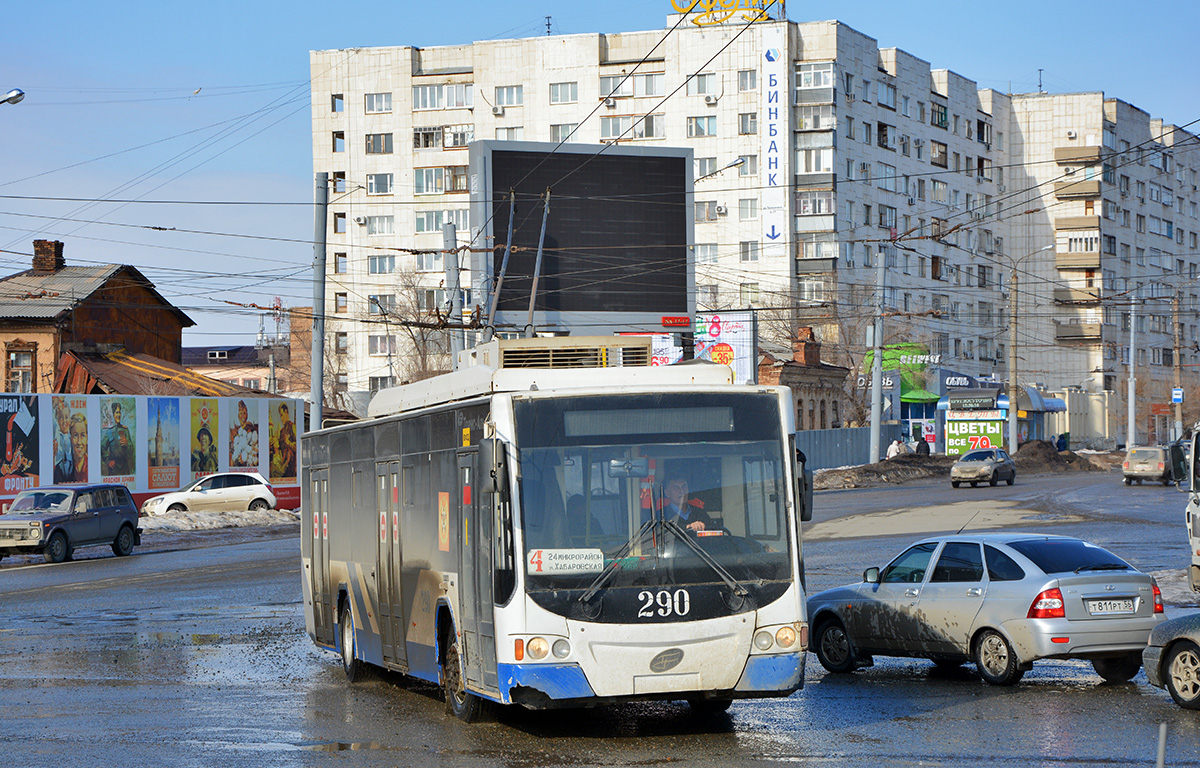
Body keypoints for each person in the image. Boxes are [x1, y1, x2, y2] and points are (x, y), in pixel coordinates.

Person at [101, 401, 133, 475]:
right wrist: (108, 461)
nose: (118, 415)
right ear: (113, 414)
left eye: (119, 412)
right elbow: (102, 447)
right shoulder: (109, 431)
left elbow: (132, 450)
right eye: (116, 412)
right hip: (114, 469)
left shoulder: (125, 430)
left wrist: (127, 444)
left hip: (125, 467)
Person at [229, 400, 259, 467]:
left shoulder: (251, 429)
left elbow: (255, 450)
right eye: (241, 413)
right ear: (238, 416)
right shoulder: (236, 432)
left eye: (244, 413)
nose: (242, 416)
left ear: (247, 415)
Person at [271, 402, 297, 479]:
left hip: (291, 466)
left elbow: (298, 447)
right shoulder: (281, 431)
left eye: (282, 415)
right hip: (283, 466)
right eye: (280, 416)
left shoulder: (293, 427)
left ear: (286, 412)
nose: (281, 419)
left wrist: (288, 442)